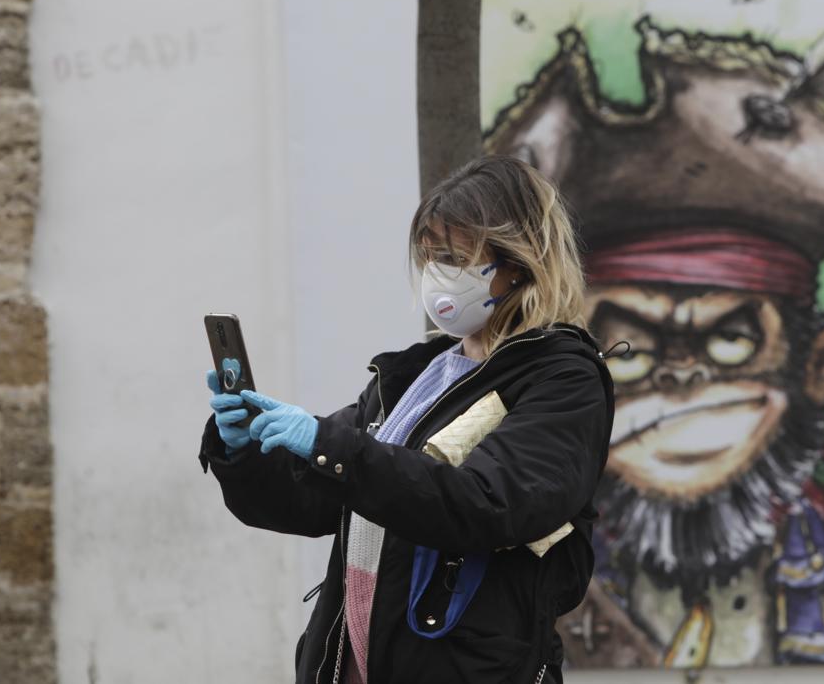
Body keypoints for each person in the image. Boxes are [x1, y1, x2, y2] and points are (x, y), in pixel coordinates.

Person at [199, 155, 615, 684]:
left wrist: (331, 446)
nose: (437, 272)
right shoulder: (413, 375)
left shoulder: (562, 379)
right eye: (429, 255)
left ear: (519, 262)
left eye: (456, 256)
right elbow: (312, 503)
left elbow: (487, 505)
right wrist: (245, 451)